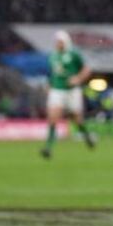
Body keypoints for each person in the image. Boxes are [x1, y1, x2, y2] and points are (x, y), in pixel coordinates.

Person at [40, 30, 95, 159]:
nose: (57, 43)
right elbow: (52, 73)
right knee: (53, 117)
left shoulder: (74, 54)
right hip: (57, 90)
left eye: (59, 41)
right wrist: (49, 84)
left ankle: (87, 137)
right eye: (56, 41)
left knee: (77, 119)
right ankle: (48, 147)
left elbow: (87, 69)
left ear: (65, 42)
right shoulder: (52, 56)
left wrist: (78, 78)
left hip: (72, 91)